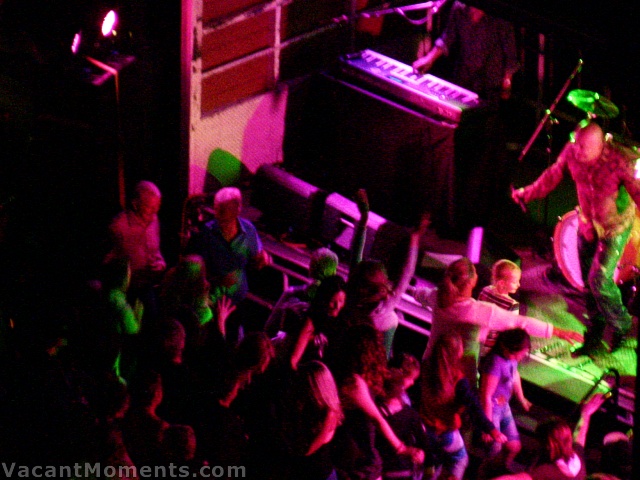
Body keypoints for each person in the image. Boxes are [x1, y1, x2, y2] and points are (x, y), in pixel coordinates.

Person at [512, 120, 640, 355]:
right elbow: (552, 176)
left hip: (615, 226)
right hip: (587, 224)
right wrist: (526, 193)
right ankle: (594, 335)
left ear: (602, 146)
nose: (577, 151)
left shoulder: (619, 161)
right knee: (587, 286)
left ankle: (621, 324)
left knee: (599, 279)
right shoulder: (572, 149)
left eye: (584, 148)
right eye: (576, 144)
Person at [412, 257, 583, 385]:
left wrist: (401, 288)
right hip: (457, 376)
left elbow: (420, 294)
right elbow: (521, 323)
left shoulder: (437, 296)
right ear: (472, 282)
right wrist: (559, 332)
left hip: (429, 364)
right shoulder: (480, 311)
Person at [347, 189, 429, 356]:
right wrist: (415, 238)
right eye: (384, 283)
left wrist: (363, 219)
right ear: (379, 290)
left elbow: (356, 254)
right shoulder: (383, 309)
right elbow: (406, 274)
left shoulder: (351, 293)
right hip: (373, 364)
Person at [185, 187, 271, 342]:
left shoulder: (249, 231)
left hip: (238, 302)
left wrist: (262, 259)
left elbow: (256, 258)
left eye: (223, 214)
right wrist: (218, 280)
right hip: (212, 305)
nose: (218, 217)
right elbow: (192, 273)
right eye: (217, 211)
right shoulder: (205, 234)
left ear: (237, 210)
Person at [420, 332, 507, 480]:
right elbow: (474, 407)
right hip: (444, 431)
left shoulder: (426, 366)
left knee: (433, 463)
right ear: (457, 352)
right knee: (460, 460)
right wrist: (492, 430)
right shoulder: (457, 380)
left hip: (423, 428)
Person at [412, 1, 519, 106]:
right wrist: (429, 58)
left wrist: (507, 81)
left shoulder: (499, 15)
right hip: (464, 80)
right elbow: (447, 38)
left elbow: (510, 54)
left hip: (490, 86)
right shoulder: (459, 7)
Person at [492, 393, 607, 480]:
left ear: (547, 445)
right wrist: (586, 413)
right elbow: (580, 434)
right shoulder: (577, 456)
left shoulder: (547, 471)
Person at [479, 328, 532, 469]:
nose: (521, 357)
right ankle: (488, 474)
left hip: (504, 407)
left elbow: (514, 375)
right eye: (519, 354)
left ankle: (500, 472)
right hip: (492, 410)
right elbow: (486, 396)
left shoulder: (511, 359)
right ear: (508, 349)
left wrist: (521, 398)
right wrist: (488, 426)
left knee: (514, 446)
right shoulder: (495, 363)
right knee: (494, 452)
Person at [105, 180, 166, 292]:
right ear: (135, 204)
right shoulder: (118, 227)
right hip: (124, 289)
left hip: (147, 285)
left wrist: (160, 263)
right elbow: (106, 263)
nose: (154, 213)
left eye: (157, 207)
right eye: (150, 208)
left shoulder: (154, 220)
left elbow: (155, 252)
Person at [264, 247, 339, 337]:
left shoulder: (292, 293)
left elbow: (270, 326)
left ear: (311, 269)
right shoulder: (334, 306)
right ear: (333, 273)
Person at [478, 259, 523, 358]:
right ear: (502, 283)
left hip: (475, 336)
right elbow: (510, 330)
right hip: (491, 346)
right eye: (515, 282)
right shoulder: (512, 304)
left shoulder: (485, 290)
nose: (519, 284)